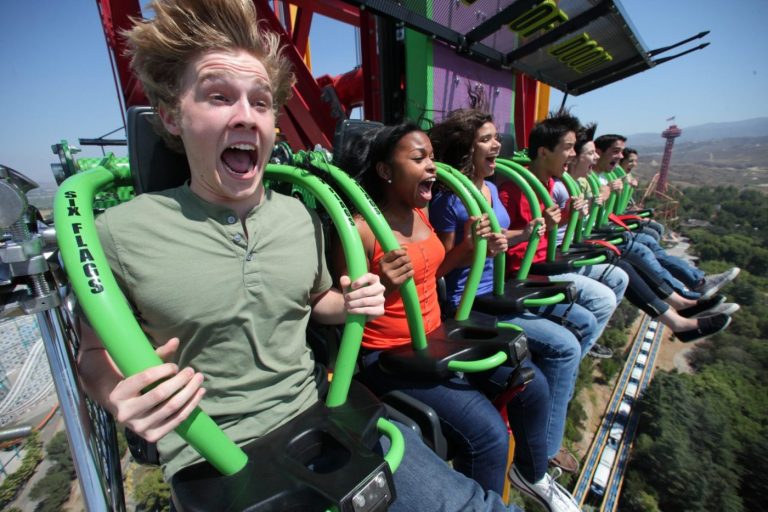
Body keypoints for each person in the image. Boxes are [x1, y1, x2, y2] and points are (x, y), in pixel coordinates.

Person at [74, 1, 528, 510]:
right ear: (172, 116)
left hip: (320, 414)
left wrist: (351, 300)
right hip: (217, 455)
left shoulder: (297, 216)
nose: (245, 116)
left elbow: (317, 302)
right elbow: (94, 356)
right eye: (219, 98)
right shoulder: (118, 233)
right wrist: (115, 394)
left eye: (261, 103)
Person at [333, 122, 582, 512]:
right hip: (390, 355)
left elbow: (437, 269)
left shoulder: (422, 212)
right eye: (419, 158)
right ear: (385, 170)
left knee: (531, 384)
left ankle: (531, 472)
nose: (432, 166)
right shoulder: (360, 230)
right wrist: (380, 282)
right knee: (489, 435)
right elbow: (342, 306)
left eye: (432, 157)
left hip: (435, 337)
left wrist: (471, 248)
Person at [427, 108, 599, 474]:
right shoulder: (448, 199)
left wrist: (532, 230)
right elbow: (438, 267)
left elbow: (498, 239)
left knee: (568, 335)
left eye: (495, 138)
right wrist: (470, 248)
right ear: (465, 148)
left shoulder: (489, 188)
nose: (497, 145)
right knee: (557, 349)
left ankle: (539, 438)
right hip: (469, 301)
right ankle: (534, 461)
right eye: (486, 139)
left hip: (500, 289)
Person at [497, 111, 629, 360]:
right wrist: (534, 231)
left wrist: (570, 215)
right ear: (544, 152)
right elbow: (505, 243)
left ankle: (574, 357)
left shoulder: (548, 184)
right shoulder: (512, 190)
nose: (572, 154)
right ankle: (572, 359)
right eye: (568, 148)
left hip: (546, 259)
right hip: (528, 268)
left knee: (617, 278)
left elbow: (547, 226)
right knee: (603, 300)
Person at [593, 135, 741, 300]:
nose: (622, 158)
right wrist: (605, 193)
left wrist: (618, 192)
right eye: (617, 152)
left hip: (606, 226)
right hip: (598, 233)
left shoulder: (607, 176)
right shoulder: (592, 179)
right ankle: (684, 293)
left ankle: (696, 281)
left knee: (650, 239)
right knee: (640, 250)